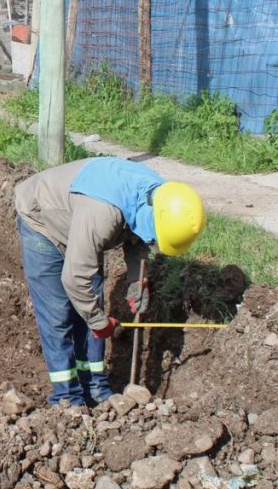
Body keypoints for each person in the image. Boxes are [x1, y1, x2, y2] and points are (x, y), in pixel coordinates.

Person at [14, 157, 205, 407]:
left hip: (82, 221)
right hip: (42, 220)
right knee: (58, 314)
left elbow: (138, 238)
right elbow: (74, 277)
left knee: (92, 301)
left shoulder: (161, 198)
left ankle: (95, 387)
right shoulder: (103, 214)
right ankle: (66, 398)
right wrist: (98, 322)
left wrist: (137, 281)